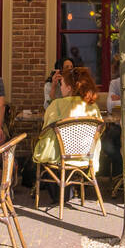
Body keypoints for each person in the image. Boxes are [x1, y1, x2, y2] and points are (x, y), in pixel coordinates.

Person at [33, 66, 102, 201]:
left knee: (44, 147)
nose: (61, 87)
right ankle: (72, 189)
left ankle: (59, 193)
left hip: (61, 156)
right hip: (86, 155)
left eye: (62, 84)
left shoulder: (57, 104)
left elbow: (45, 130)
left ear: (70, 87)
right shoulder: (93, 106)